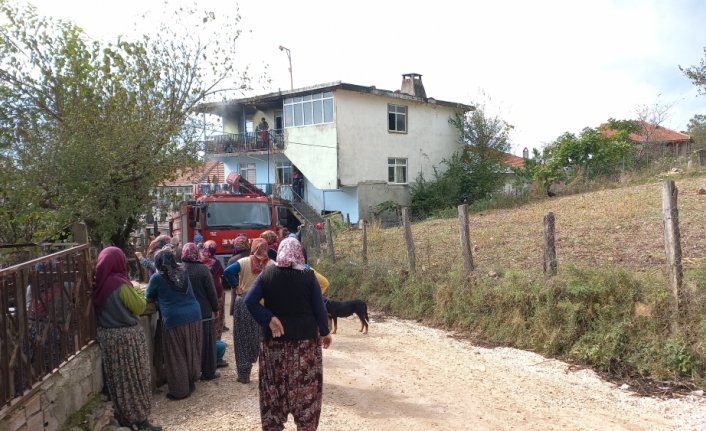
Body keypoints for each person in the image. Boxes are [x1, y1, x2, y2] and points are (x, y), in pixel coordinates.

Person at [245, 237, 332, 430]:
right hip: (305, 346)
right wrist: (325, 332)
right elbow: (319, 308)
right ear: (299, 253)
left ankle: (274, 424)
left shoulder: (267, 274)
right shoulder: (308, 276)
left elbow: (249, 301)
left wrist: (268, 317)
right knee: (306, 389)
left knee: (273, 390)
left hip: (274, 344)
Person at [93, 247, 161, 431]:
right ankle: (141, 421)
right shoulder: (120, 285)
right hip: (127, 339)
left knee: (120, 382)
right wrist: (137, 288)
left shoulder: (97, 283)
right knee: (136, 379)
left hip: (108, 338)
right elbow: (139, 307)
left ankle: (124, 418)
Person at [146, 248, 202, 400]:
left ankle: (180, 390)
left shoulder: (157, 277)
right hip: (194, 314)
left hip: (174, 319)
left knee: (176, 355)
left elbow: (148, 295)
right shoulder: (183, 271)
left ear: (158, 263)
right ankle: (191, 382)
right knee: (191, 350)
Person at [223, 238, 273, 383]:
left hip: (243, 302)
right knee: (262, 338)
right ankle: (266, 375)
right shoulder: (271, 264)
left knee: (242, 338)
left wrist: (235, 285)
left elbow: (228, 272)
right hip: (262, 304)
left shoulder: (243, 262)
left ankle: (244, 375)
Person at [181, 243, 220, 381]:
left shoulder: (179, 270)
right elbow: (211, 292)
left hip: (186, 314)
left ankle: (192, 372)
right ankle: (208, 372)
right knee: (207, 343)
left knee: (190, 344)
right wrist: (216, 308)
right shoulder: (203, 269)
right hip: (204, 312)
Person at [201, 240, 229, 368]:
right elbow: (222, 273)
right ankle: (216, 346)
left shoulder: (199, 261)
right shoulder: (216, 262)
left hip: (203, 295)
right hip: (217, 292)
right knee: (218, 318)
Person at [226, 234, 250, 316]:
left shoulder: (232, 260)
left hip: (238, 293)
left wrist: (235, 285)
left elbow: (228, 274)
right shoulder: (254, 257)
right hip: (253, 290)